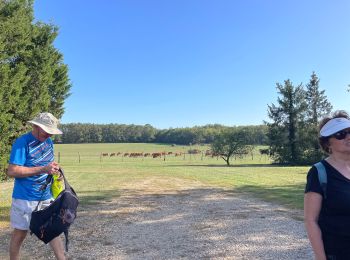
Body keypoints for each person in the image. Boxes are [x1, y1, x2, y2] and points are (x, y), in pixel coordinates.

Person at [7, 112, 65, 260]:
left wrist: (54, 171)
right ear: (35, 126)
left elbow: (46, 165)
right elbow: (12, 171)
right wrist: (43, 169)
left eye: (51, 132)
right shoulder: (22, 142)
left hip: (46, 195)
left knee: (52, 229)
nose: (49, 135)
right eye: (47, 131)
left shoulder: (48, 142)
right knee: (20, 233)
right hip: (25, 198)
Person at [304, 110, 350, 260]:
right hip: (337, 254)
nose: (348, 137)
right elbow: (311, 221)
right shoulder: (319, 172)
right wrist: (321, 257)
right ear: (327, 143)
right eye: (340, 134)